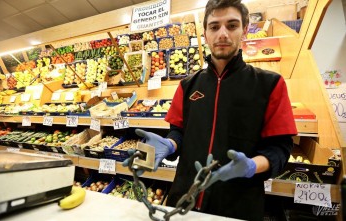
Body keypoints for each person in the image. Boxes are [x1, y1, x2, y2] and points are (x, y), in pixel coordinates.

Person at [124, 0, 297, 220]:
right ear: (205, 34)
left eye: (232, 25)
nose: (222, 34)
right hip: (183, 202)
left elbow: (280, 148)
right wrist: (169, 144)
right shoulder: (188, 85)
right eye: (214, 27)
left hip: (237, 206)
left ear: (244, 30)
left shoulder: (270, 84)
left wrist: (252, 166)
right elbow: (179, 131)